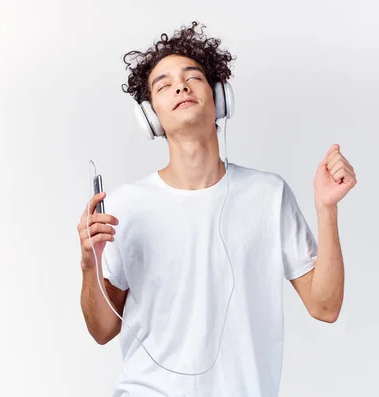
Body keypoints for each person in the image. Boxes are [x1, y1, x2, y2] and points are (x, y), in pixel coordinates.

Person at [77, 21, 357, 397]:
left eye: (192, 78)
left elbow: (325, 307)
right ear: (151, 118)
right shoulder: (124, 206)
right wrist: (90, 264)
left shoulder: (268, 194)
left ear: (219, 97)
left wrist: (327, 209)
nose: (180, 86)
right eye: (163, 85)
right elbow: (101, 330)